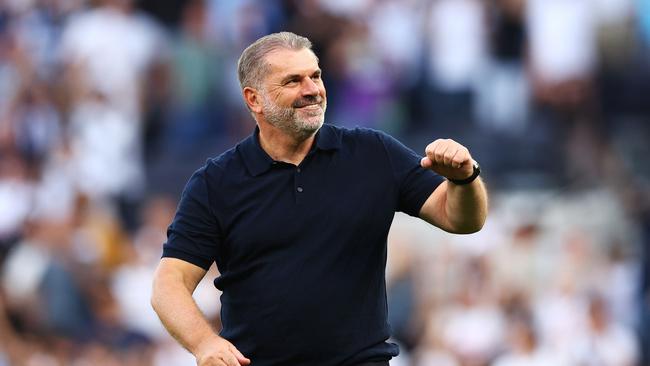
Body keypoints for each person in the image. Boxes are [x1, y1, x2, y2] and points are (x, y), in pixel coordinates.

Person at [151, 32, 488, 366]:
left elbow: (460, 219)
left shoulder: (372, 152)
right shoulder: (216, 182)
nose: (312, 90)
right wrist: (204, 343)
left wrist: (464, 179)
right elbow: (170, 284)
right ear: (254, 100)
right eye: (293, 81)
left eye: (315, 76)